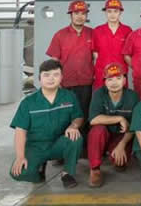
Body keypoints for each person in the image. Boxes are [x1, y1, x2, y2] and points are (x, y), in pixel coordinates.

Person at [9, 59, 84, 189]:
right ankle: (38, 170)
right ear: (39, 78)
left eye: (56, 74)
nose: (51, 78)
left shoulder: (69, 97)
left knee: (75, 138)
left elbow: (78, 116)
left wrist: (74, 126)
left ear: (61, 77)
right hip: (36, 147)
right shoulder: (28, 102)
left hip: (58, 144)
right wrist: (20, 157)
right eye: (46, 75)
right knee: (19, 173)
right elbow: (20, 131)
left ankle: (67, 173)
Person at [87, 62, 139, 187]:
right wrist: (119, 118)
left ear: (124, 80)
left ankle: (114, 153)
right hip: (103, 134)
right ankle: (95, 169)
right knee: (97, 130)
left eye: (118, 78)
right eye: (110, 79)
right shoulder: (99, 94)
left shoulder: (133, 96)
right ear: (104, 81)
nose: (114, 82)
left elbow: (134, 126)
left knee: (120, 163)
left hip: (121, 136)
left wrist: (122, 145)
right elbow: (93, 119)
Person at [46, 0, 94, 121]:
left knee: (85, 115)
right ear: (70, 15)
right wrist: (56, 82)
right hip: (66, 84)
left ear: (86, 16)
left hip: (87, 84)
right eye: (76, 13)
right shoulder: (60, 35)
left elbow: (97, 58)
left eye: (83, 14)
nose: (79, 17)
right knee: (66, 115)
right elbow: (54, 62)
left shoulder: (92, 34)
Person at [92, 0, 132, 90]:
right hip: (102, 75)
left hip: (120, 75)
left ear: (120, 12)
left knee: (121, 98)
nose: (112, 14)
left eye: (115, 11)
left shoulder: (127, 30)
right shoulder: (98, 30)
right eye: (109, 11)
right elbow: (95, 54)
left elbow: (129, 54)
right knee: (102, 97)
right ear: (105, 12)